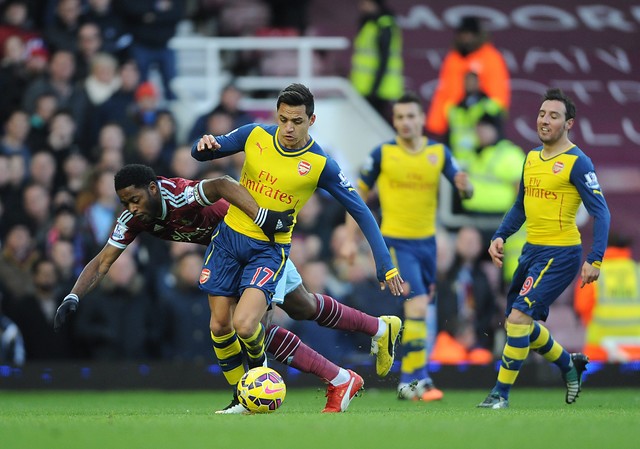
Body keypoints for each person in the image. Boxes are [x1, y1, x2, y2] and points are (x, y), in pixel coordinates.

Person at [54, 163, 402, 413]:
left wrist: (262, 216)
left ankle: (335, 378)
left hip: (254, 242)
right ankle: (377, 328)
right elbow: (102, 262)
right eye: (125, 203)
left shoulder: (178, 194)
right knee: (294, 309)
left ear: (153, 188)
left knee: (255, 324)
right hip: (226, 255)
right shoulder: (133, 219)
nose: (131, 208)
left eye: (134, 199)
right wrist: (73, 295)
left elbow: (221, 183)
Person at [191, 83, 403, 412]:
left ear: (312, 120)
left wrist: (384, 263)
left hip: (269, 250)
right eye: (283, 119)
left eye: (297, 121)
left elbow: (360, 209)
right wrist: (202, 145)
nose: (288, 128)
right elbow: (208, 150)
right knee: (241, 320)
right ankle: (375, 331)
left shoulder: (320, 164)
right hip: (229, 240)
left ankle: (256, 395)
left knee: (247, 325)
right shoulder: (255, 134)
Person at [478, 88, 611, 409]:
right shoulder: (531, 158)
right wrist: (500, 235)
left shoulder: (578, 162)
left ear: (569, 124)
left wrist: (595, 258)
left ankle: (500, 395)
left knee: (519, 318)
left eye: (553, 116)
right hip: (531, 252)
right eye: (541, 114)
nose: (545, 121)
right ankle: (569, 364)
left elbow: (601, 212)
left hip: (561, 254)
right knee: (517, 322)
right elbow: (520, 207)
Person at [340, 92, 473, 401]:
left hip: (427, 243)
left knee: (421, 310)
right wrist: (349, 239)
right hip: (396, 243)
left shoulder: (438, 152)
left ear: (421, 119)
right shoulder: (383, 154)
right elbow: (355, 198)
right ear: (395, 121)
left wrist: (467, 188)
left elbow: (463, 188)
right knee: (416, 307)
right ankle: (418, 379)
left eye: (411, 116)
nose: (405, 122)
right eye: (399, 117)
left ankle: (410, 382)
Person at [426, 16, 510, 138]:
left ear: (477, 35)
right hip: (453, 122)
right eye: (463, 34)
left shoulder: (491, 58)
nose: (466, 38)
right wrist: (435, 124)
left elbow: (497, 95)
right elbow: (443, 92)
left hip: (478, 124)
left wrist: (488, 120)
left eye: (469, 34)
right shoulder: (453, 58)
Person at [574, 233, 640, 362]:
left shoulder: (593, 274)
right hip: (637, 350)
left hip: (600, 350)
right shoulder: (637, 272)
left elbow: (582, 307)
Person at [349, 0, 403, 121]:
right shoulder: (369, 23)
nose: (361, 6)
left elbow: (384, 58)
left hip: (380, 89)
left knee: (379, 127)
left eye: (364, 3)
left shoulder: (384, 25)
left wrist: (375, 88)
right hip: (365, 87)